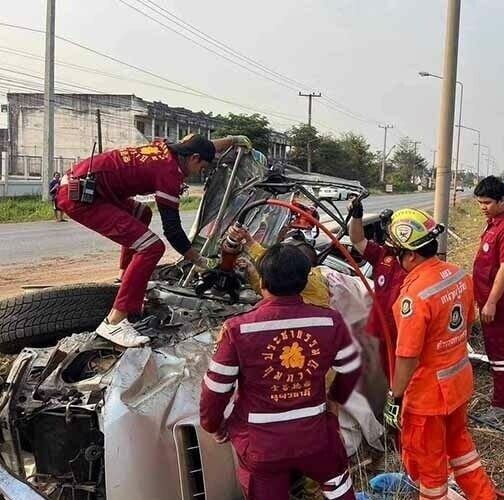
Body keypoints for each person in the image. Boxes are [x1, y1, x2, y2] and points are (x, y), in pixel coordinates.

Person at [56, 133, 252, 348]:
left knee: (142, 215)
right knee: (152, 247)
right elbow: (173, 231)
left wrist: (234, 139)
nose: (199, 173)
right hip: (83, 197)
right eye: (202, 168)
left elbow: (203, 146)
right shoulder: (169, 173)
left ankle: (126, 278)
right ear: (194, 158)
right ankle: (114, 321)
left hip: (87, 186)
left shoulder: (167, 150)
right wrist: (200, 260)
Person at [199, 243, 360, 500]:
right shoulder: (330, 321)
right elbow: (351, 368)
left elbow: (215, 389)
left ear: (262, 281)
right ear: (306, 279)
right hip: (316, 437)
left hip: (262, 445)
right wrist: (333, 403)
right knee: (338, 488)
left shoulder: (238, 330)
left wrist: (214, 425)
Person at [382, 208, 495, 500]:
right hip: (458, 382)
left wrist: (395, 396)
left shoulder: (415, 295)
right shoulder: (457, 275)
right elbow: (466, 325)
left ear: (411, 255)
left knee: (431, 468)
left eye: (397, 253)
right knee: (461, 448)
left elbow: (407, 355)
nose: (395, 259)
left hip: (428, 397)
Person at [473, 176, 504, 422]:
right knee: (493, 349)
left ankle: (503, 405)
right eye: (480, 202)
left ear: (503, 200)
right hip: (486, 298)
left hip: (498, 301)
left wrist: (491, 302)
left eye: (488, 202)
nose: (483, 207)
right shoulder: (493, 223)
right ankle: (500, 393)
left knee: (500, 350)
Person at [348, 200, 406, 380]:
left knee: (400, 373)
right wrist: (357, 217)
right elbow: (357, 240)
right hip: (379, 327)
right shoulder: (382, 255)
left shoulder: (416, 263)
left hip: (403, 330)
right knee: (377, 372)